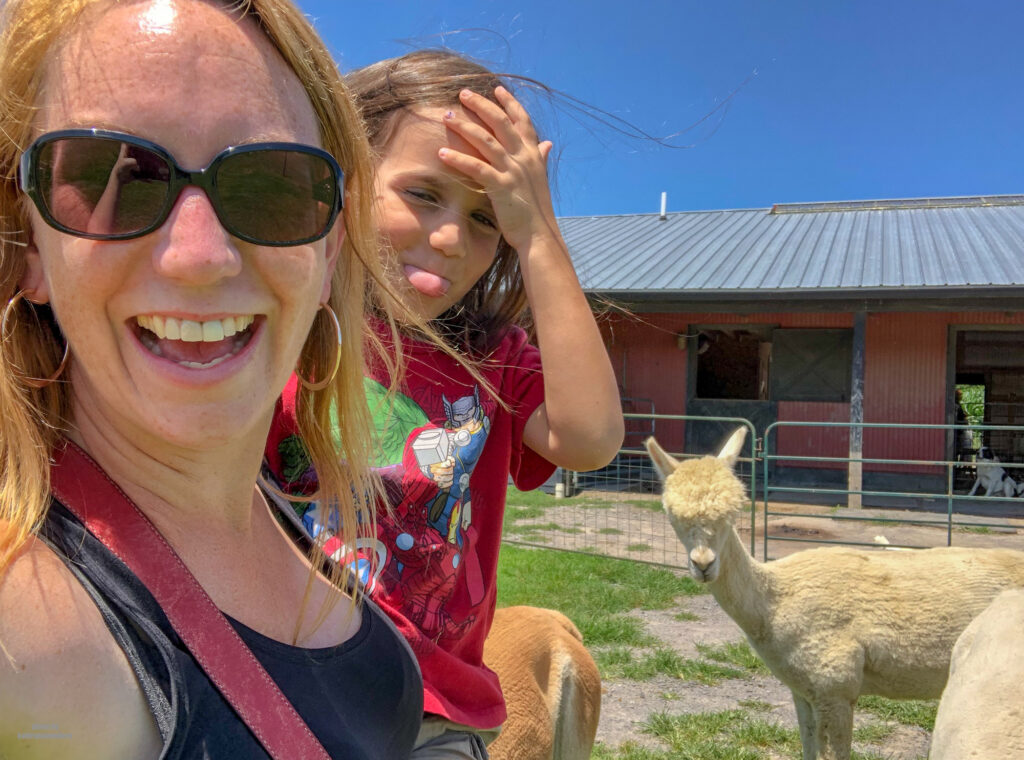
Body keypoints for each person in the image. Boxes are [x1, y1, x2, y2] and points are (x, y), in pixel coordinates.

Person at [0, 1, 423, 757]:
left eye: (273, 187)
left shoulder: (280, 514)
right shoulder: (27, 642)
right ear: (28, 239)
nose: (199, 256)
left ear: (329, 249)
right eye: (112, 177)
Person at [264, 50, 624, 758]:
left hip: (434, 713)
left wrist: (539, 232)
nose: (454, 238)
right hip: (278, 682)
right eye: (423, 194)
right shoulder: (282, 323)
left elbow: (590, 437)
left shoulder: (493, 360)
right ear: (345, 174)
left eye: (488, 219)